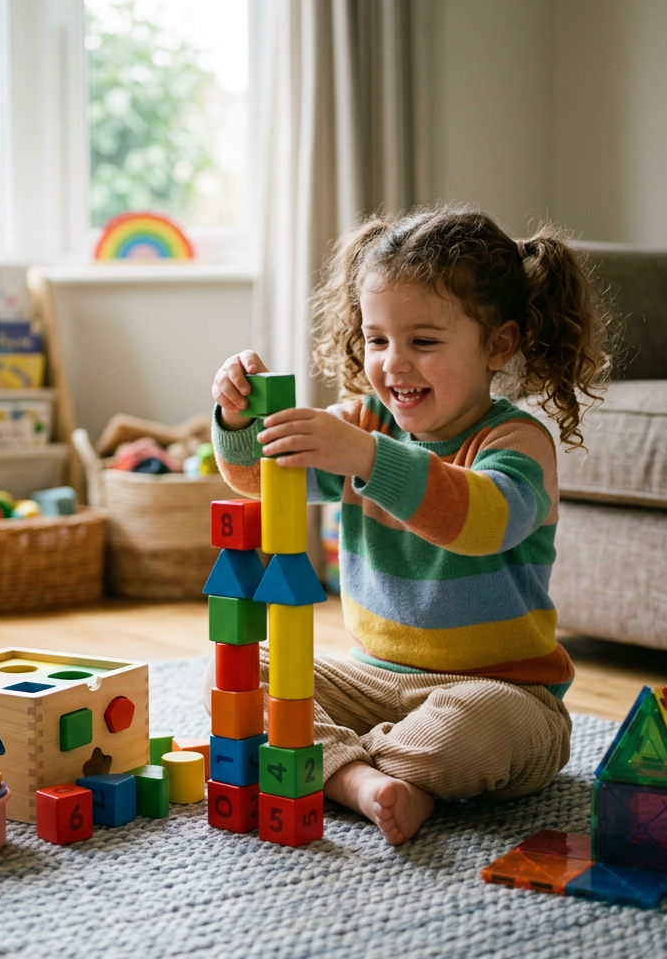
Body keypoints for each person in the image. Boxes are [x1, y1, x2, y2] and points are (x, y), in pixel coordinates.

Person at [208, 207, 611, 845]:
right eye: (377, 340)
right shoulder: (363, 427)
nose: (394, 364)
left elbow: (480, 520)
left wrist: (368, 459)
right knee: (236, 675)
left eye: (423, 342)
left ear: (497, 345)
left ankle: (353, 764)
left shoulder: (516, 441)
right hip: (371, 678)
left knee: (461, 734)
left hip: (501, 691)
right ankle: (363, 781)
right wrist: (237, 424)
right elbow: (262, 480)